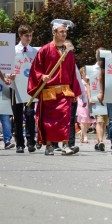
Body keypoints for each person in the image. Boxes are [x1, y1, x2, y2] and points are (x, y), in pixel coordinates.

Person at [27, 19, 81, 156]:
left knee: (66, 119)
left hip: (64, 91)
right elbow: (35, 69)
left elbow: (72, 72)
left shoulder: (68, 51)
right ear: (54, 33)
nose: (64, 34)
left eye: (65, 32)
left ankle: (66, 145)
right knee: (48, 121)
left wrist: (74, 92)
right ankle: (49, 145)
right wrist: (42, 76)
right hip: (49, 91)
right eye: (61, 32)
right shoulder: (45, 50)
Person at [6, 25, 37, 152]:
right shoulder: (13, 50)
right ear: (20, 36)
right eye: (26, 35)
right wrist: (9, 75)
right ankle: (19, 143)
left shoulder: (34, 51)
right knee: (17, 115)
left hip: (30, 87)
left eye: (30, 35)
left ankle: (31, 141)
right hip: (16, 87)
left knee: (30, 114)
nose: (29, 38)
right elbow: (6, 68)